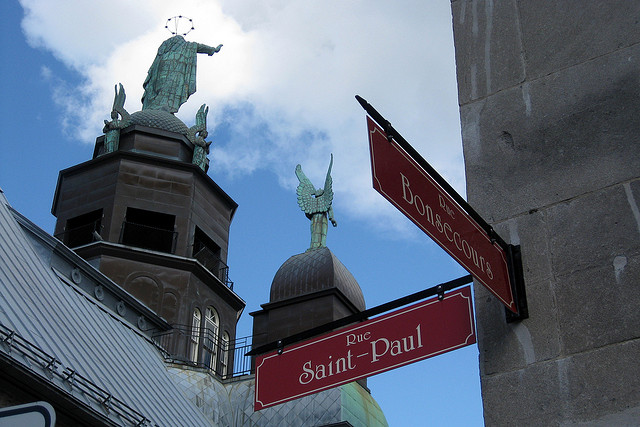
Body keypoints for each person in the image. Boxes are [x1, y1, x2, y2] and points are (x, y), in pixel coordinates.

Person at [142, 35, 222, 113]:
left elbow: (200, 47)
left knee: (165, 87)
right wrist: (213, 49)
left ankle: (162, 106)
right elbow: (200, 47)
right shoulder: (187, 46)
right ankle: (162, 106)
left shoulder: (170, 47)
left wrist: (212, 49)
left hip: (166, 68)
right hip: (173, 70)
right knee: (169, 87)